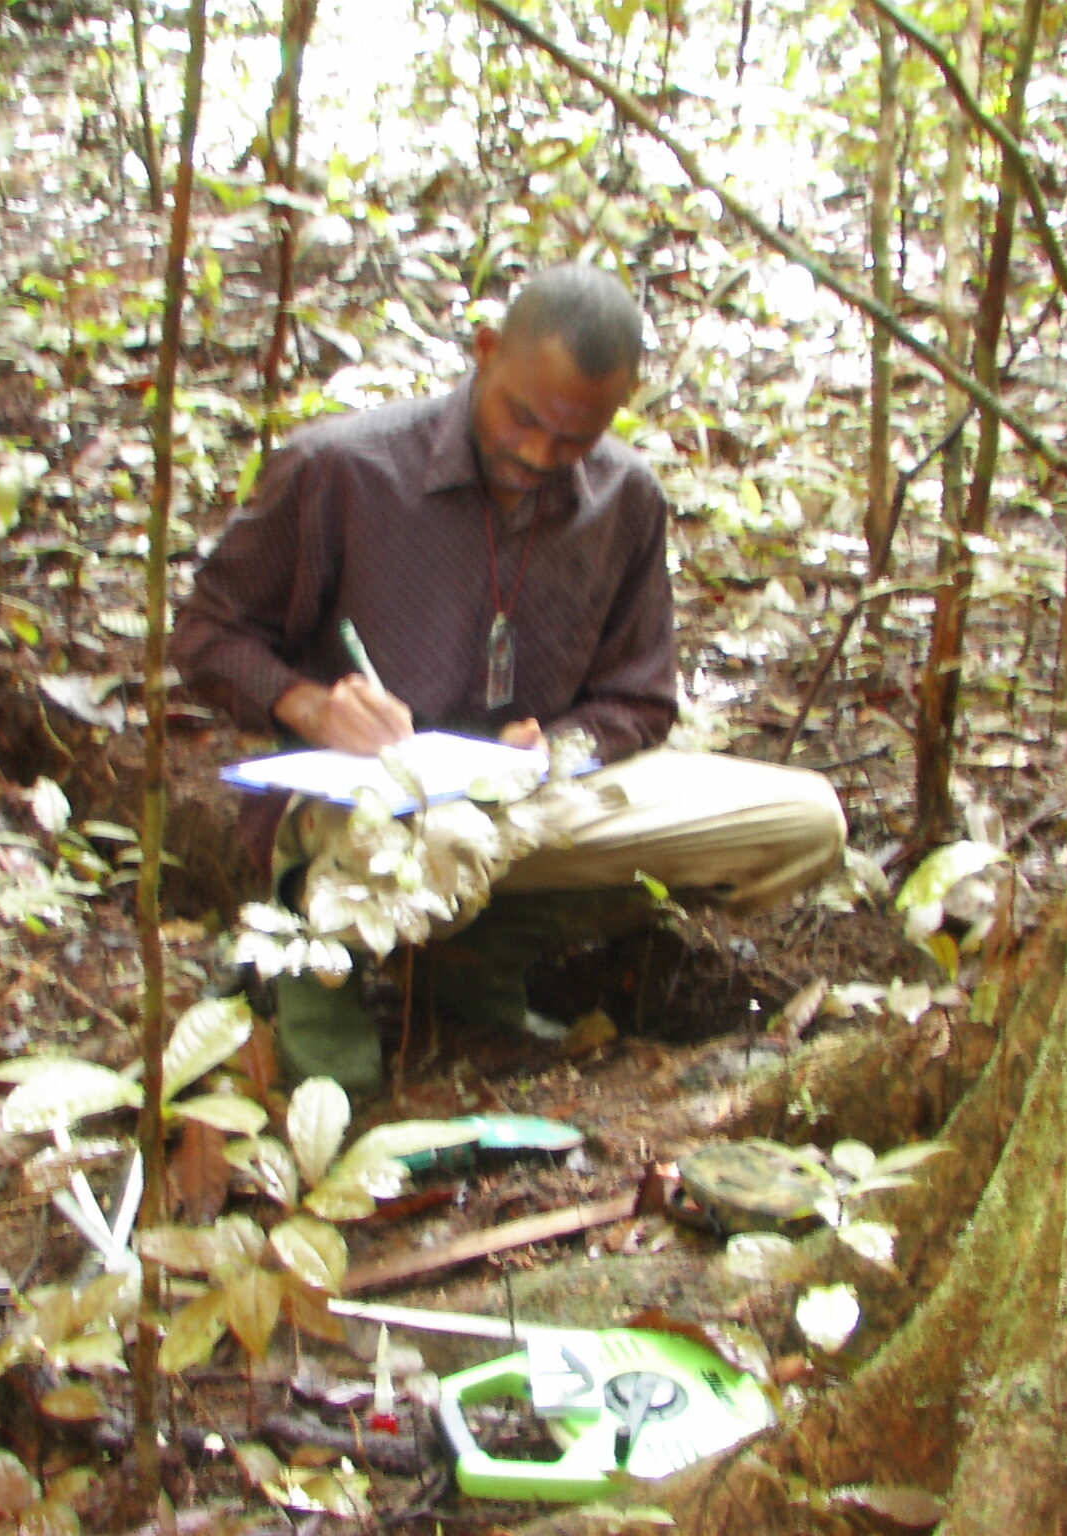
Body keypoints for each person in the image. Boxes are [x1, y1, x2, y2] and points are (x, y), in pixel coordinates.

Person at [172, 264, 845, 1095]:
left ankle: (480, 956)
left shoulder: (624, 499)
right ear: (486, 352)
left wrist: (557, 744)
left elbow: (639, 700)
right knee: (415, 836)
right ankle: (325, 1046)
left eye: (574, 439)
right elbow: (204, 634)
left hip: (520, 803)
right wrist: (312, 705)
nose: (538, 454)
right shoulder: (341, 471)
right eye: (522, 417)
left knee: (806, 821)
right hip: (357, 810)